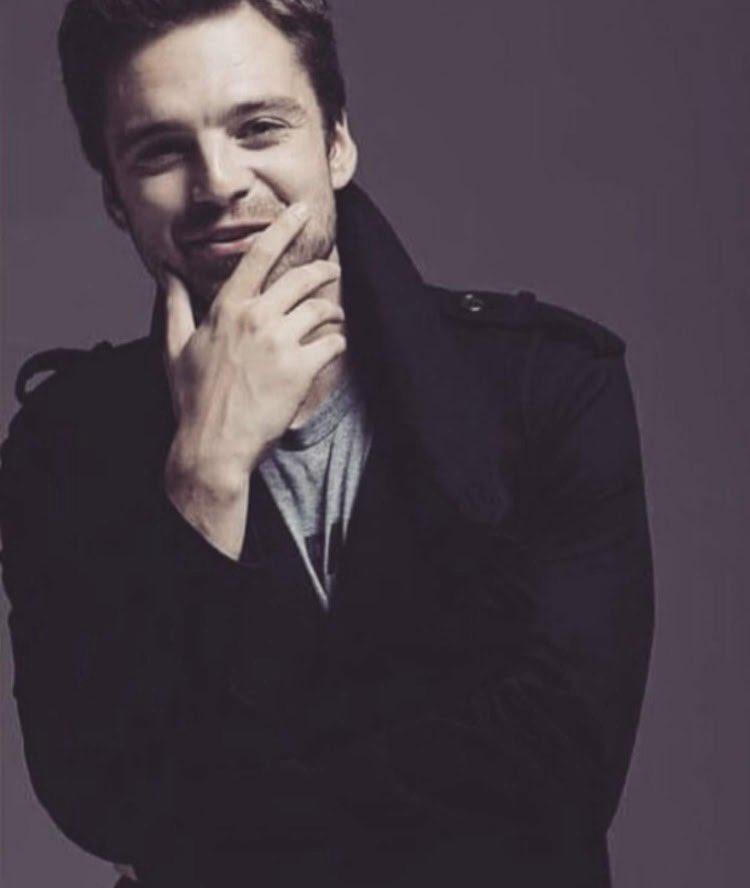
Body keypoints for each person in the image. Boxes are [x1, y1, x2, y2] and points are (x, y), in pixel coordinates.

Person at [0, 1, 654, 886]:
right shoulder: (63, 448)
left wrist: (221, 814)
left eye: (259, 128)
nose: (218, 182)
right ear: (115, 195)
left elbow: (562, 774)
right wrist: (204, 478)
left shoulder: (546, 387)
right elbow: (101, 795)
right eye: (160, 150)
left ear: (337, 141)